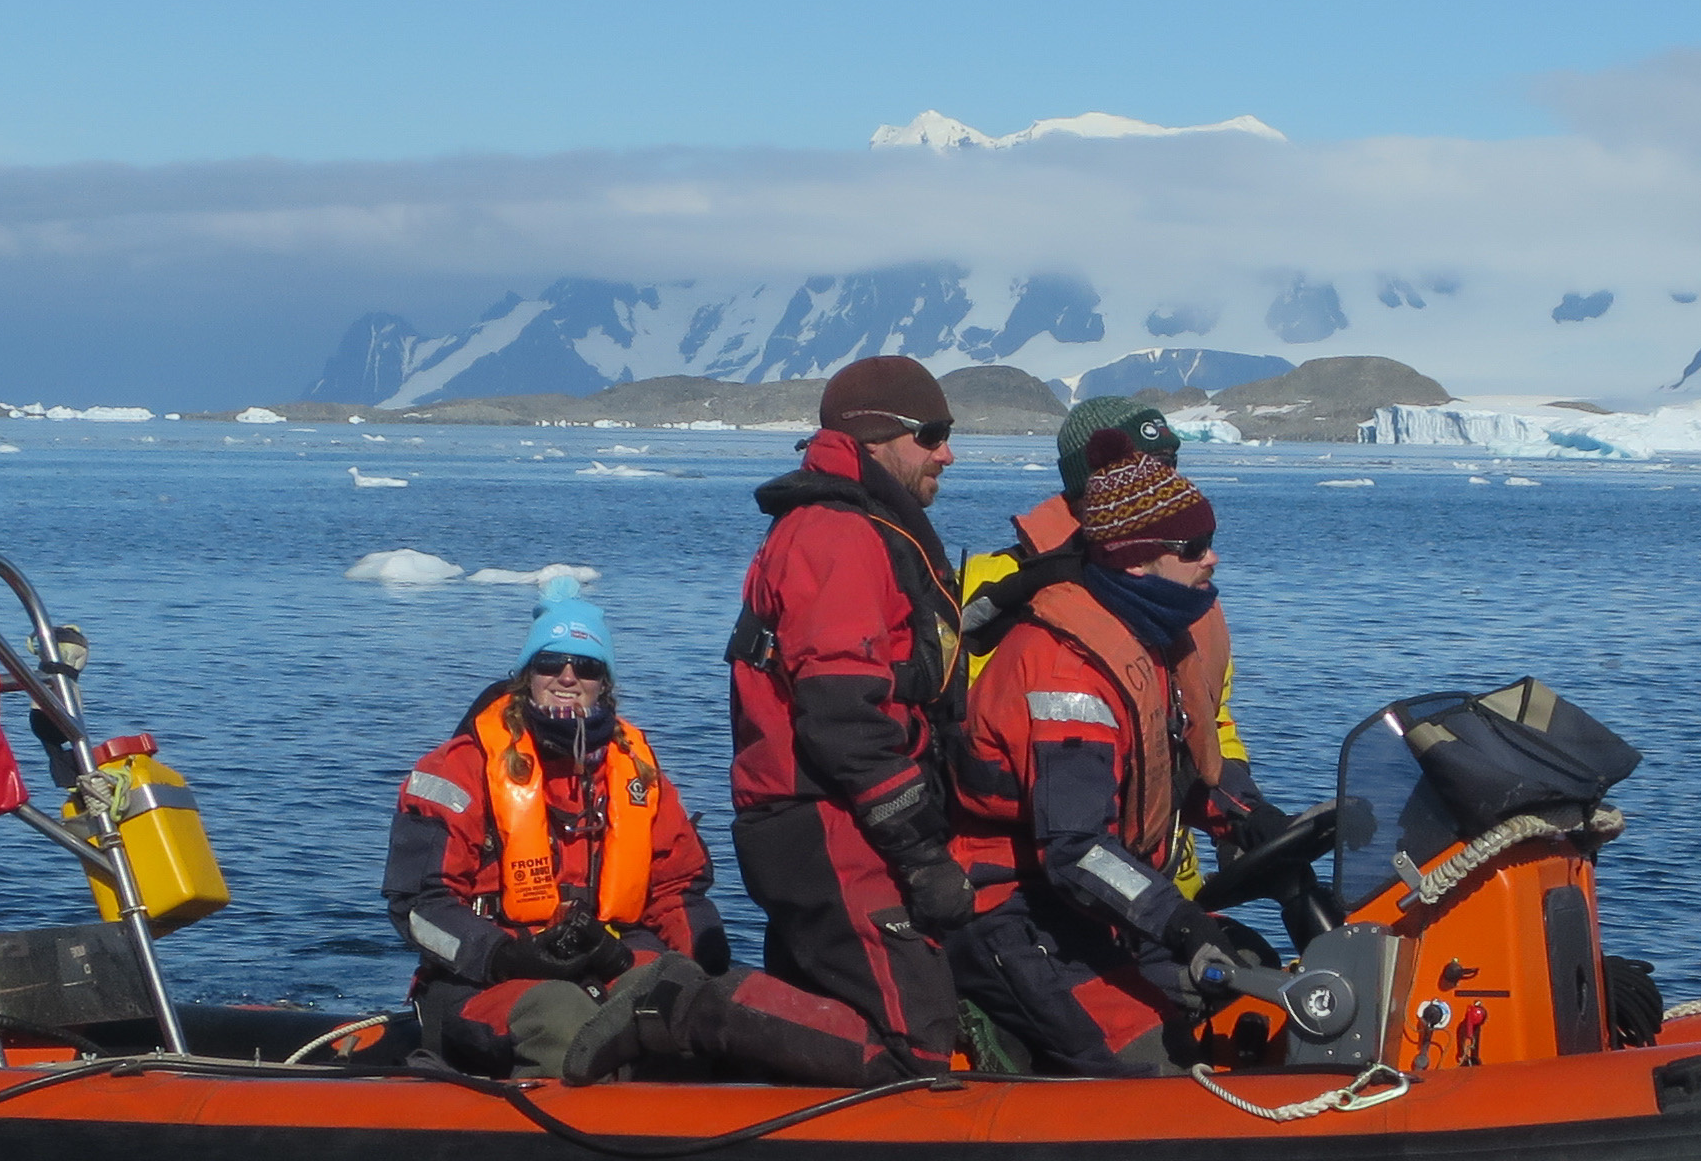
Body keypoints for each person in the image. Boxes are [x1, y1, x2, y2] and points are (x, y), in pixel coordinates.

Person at [387, 588, 906, 1089]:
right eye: (551, 664)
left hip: (607, 962)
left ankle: (887, 1073)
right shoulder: (457, 770)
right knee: (561, 1019)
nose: (568, 677)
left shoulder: (634, 772)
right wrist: (504, 956)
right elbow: (418, 908)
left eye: (586, 667)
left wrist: (700, 967)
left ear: (603, 684)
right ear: (527, 676)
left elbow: (676, 888)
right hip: (480, 980)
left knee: (707, 1003)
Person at [944, 431, 1280, 1074]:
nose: (1212, 561)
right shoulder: (1065, 669)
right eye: (1193, 548)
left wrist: (1252, 818)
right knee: (1158, 1056)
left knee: (1249, 990)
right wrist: (1177, 921)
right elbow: (1074, 851)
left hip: (1091, 909)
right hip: (1014, 912)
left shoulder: (1146, 637)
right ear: (1135, 560)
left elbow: (1173, 763)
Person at [725, 355, 972, 1069]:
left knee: (842, 1013)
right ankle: (689, 1004)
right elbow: (843, 721)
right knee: (915, 1041)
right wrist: (921, 854)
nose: (946, 453)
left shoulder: (853, 527)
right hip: (824, 823)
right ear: (874, 438)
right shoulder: (837, 535)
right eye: (931, 434)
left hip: (835, 819)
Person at [959, 395, 1282, 883]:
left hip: (1163, 861)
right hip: (1045, 872)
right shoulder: (1000, 589)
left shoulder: (1184, 596)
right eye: (1147, 463)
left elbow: (1208, 718)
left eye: (1171, 462)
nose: (1163, 478)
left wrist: (1241, 811)